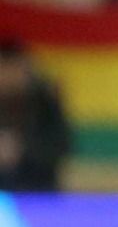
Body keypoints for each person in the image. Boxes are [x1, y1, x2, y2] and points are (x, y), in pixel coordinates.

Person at [0, 39, 70, 191]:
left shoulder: (44, 101)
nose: (9, 76)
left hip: (38, 191)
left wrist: (21, 149)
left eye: (15, 68)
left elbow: (62, 145)